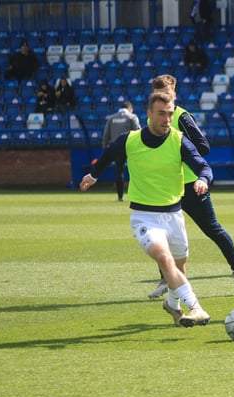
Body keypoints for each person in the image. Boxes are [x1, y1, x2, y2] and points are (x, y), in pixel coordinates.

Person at [80, 91, 212, 328]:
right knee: (164, 259)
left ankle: (172, 305)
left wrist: (203, 179)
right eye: (161, 114)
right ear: (149, 114)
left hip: (174, 216)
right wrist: (93, 175)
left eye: (170, 114)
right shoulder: (129, 140)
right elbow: (108, 154)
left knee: (178, 267)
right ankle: (196, 307)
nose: (167, 119)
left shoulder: (179, 140)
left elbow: (203, 165)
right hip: (145, 217)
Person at [147, 74, 234, 299]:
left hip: (193, 185)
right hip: (166, 187)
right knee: (160, 234)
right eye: (159, 95)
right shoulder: (151, 120)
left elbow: (203, 146)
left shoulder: (182, 117)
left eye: (168, 95)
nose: (164, 99)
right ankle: (166, 278)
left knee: (212, 228)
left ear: (174, 94)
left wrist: (181, 156)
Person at [101, 101, 141, 201]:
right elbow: (138, 132)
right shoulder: (132, 117)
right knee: (136, 172)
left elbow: (105, 136)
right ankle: (138, 195)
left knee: (119, 172)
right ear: (130, 109)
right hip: (132, 148)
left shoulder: (112, 118)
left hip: (117, 149)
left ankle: (120, 197)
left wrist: (106, 150)